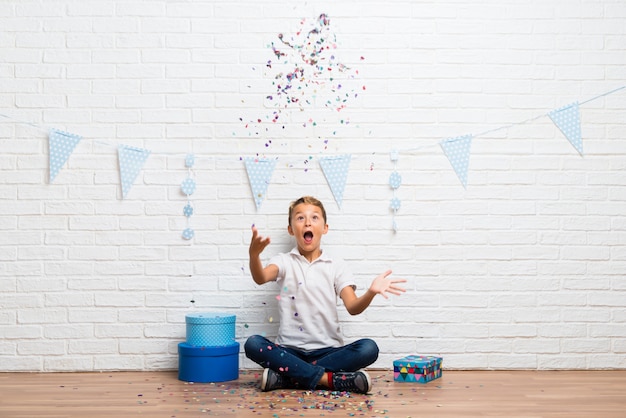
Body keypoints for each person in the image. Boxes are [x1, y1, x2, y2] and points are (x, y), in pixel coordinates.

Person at [244, 196, 406, 393]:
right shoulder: (284, 261)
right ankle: (328, 380)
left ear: (325, 228)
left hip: (328, 352)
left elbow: (353, 307)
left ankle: (288, 378)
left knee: (368, 348)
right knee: (253, 344)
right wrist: (254, 256)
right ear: (291, 229)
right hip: (289, 351)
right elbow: (261, 277)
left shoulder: (336, 266)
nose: (308, 222)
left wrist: (371, 292)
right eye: (300, 218)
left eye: (314, 217)